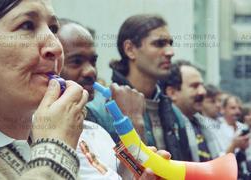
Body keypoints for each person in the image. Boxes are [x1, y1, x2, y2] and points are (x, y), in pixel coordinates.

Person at [0, 0, 89, 179]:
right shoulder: (57, 139)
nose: (56, 47)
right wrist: (55, 150)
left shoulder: (62, 133)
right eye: (27, 25)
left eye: (54, 29)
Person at [57, 18, 171, 180]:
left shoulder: (98, 132)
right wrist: (133, 122)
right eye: (76, 61)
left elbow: (123, 177)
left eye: (93, 61)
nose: (91, 71)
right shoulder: (39, 131)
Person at [88, 14, 192, 161]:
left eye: (170, 43)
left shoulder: (175, 113)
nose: (170, 52)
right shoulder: (97, 110)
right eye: (159, 44)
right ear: (130, 49)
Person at [164, 60, 216, 162]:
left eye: (202, 85)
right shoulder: (168, 128)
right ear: (172, 93)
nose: (203, 92)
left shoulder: (203, 124)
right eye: (195, 86)